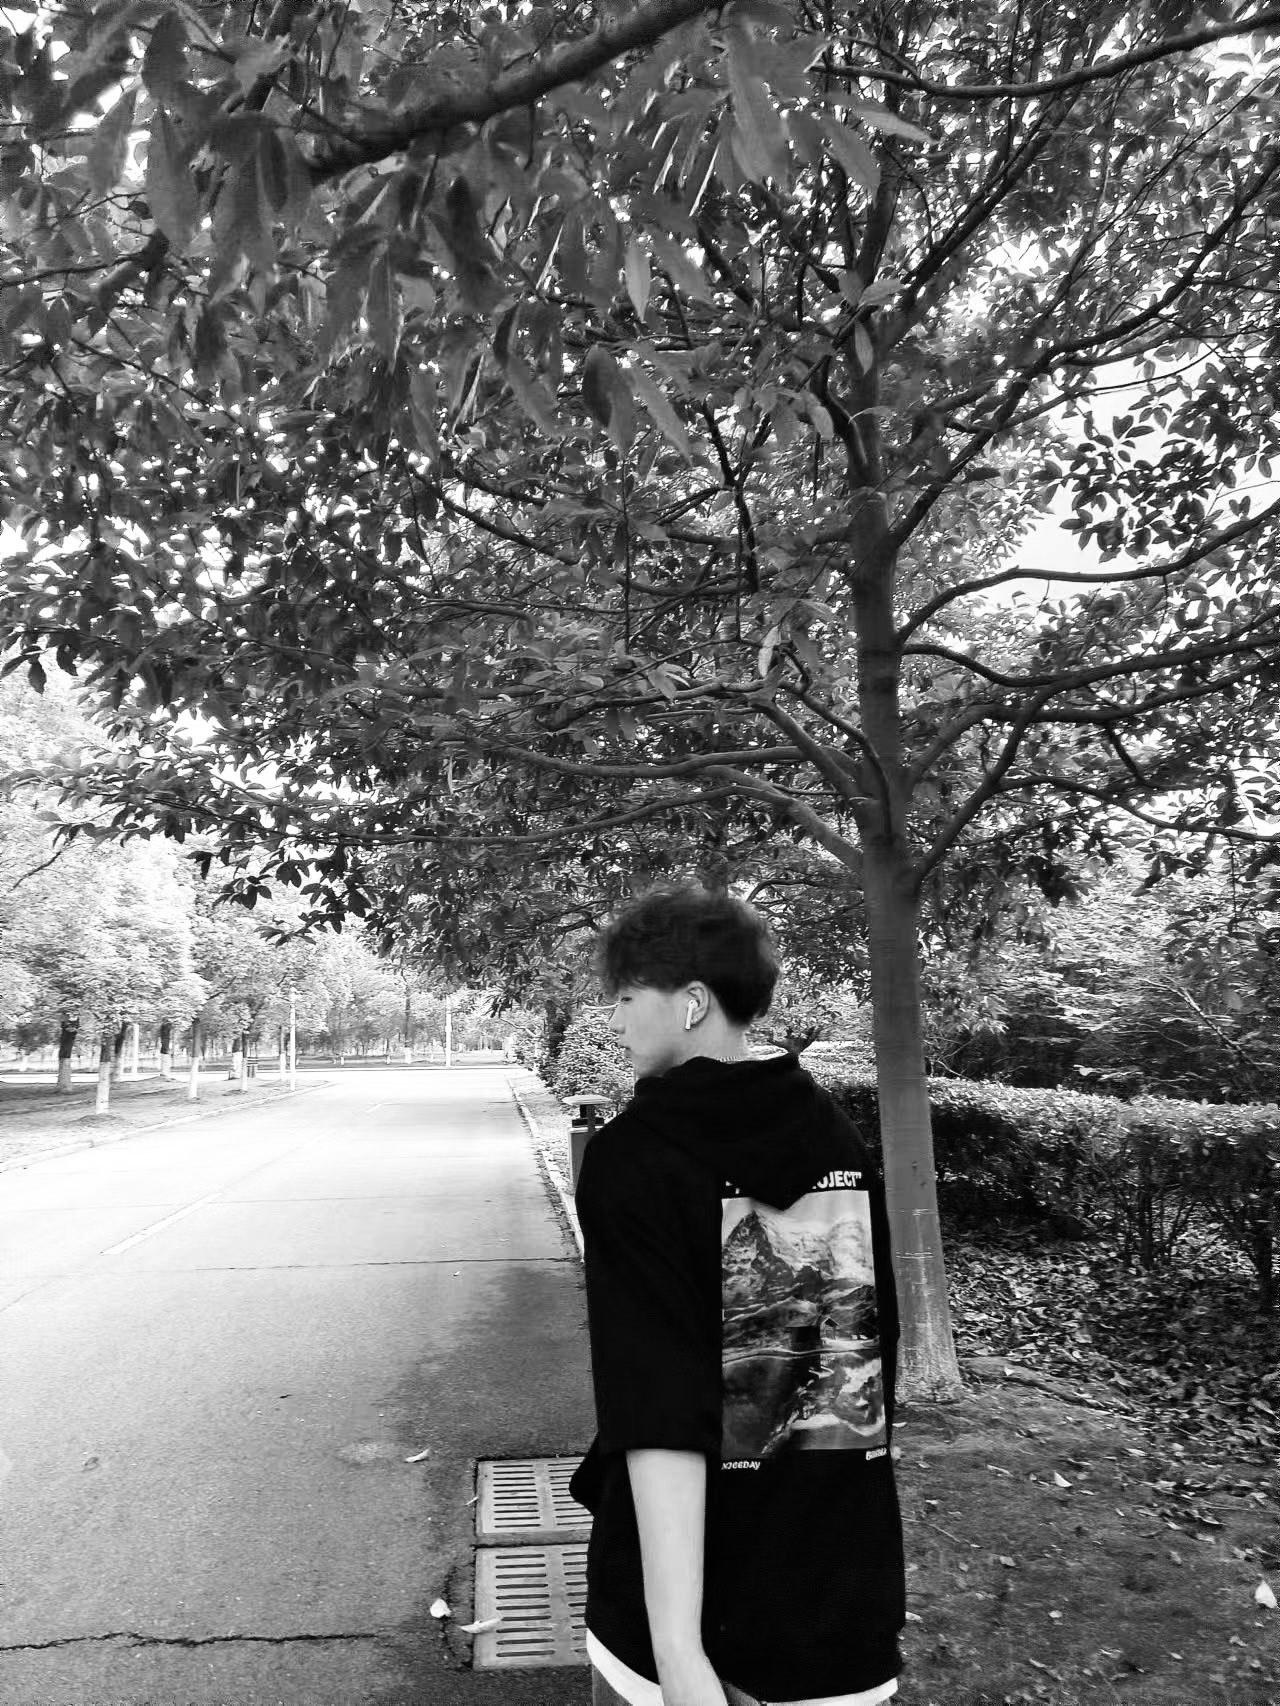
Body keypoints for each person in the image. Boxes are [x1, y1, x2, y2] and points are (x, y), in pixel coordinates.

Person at [569, 885, 906, 1706]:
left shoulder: (632, 1161)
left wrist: (678, 1654)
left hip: (682, 1629)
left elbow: (657, 1409)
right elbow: (869, 1357)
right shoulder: (833, 1134)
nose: (613, 1020)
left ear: (690, 1003)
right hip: (839, 1599)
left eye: (625, 997)